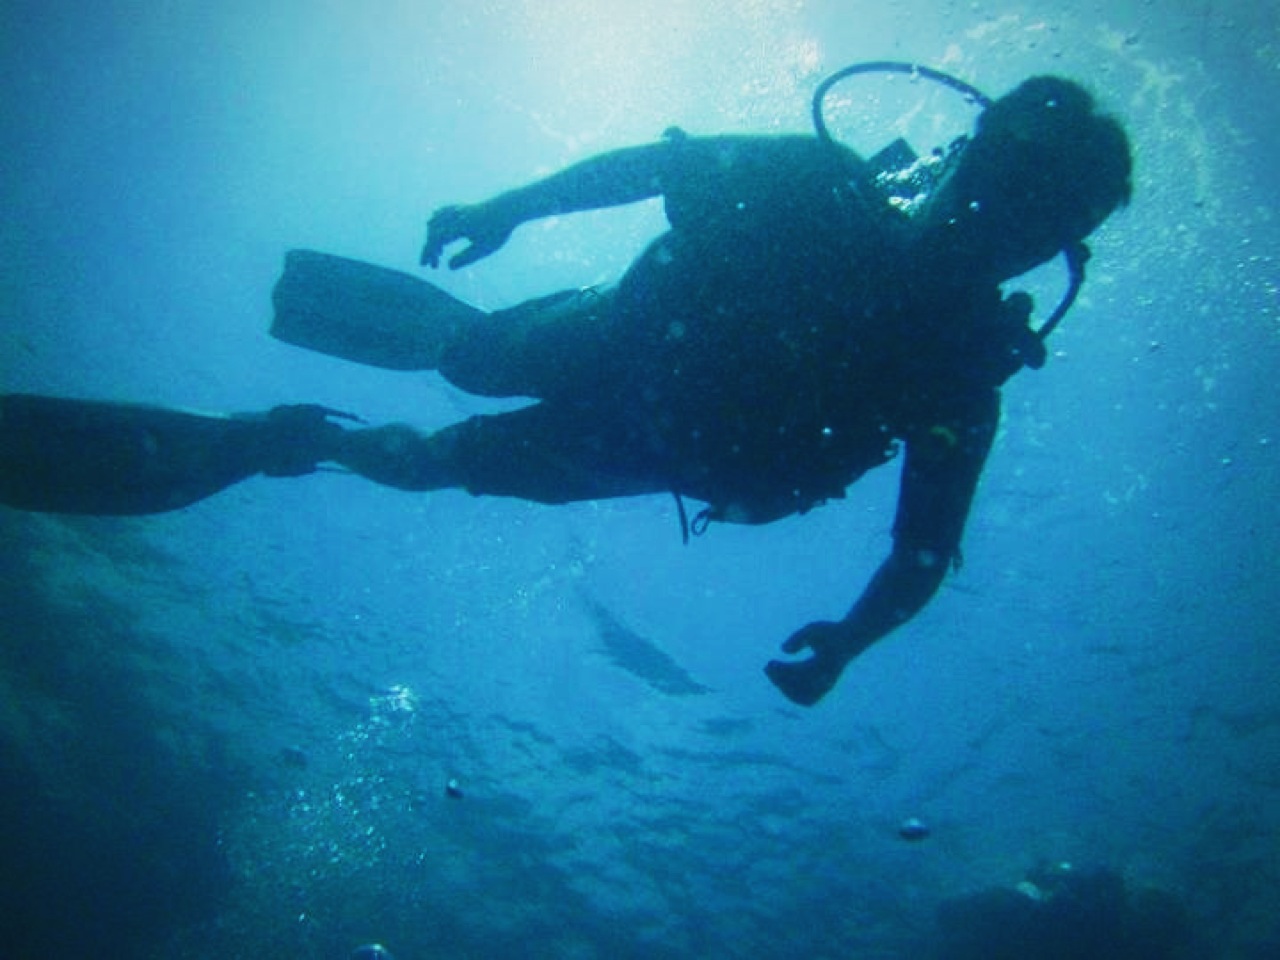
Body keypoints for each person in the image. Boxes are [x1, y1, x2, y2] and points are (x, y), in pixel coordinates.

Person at [0, 73, 1132, 706]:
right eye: (1005, 185)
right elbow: (652, 166)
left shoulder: (958, 375)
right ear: (968, 160)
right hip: (620, 354)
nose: (1002, 221)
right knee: (471, 362)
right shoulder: (823, 187)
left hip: (650, 450)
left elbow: (918, 553)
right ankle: (416, 373)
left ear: (1053, 249)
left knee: (441, 462)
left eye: (1039, 218)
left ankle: (282, 443)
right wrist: (509, 208)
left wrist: (846, 640)